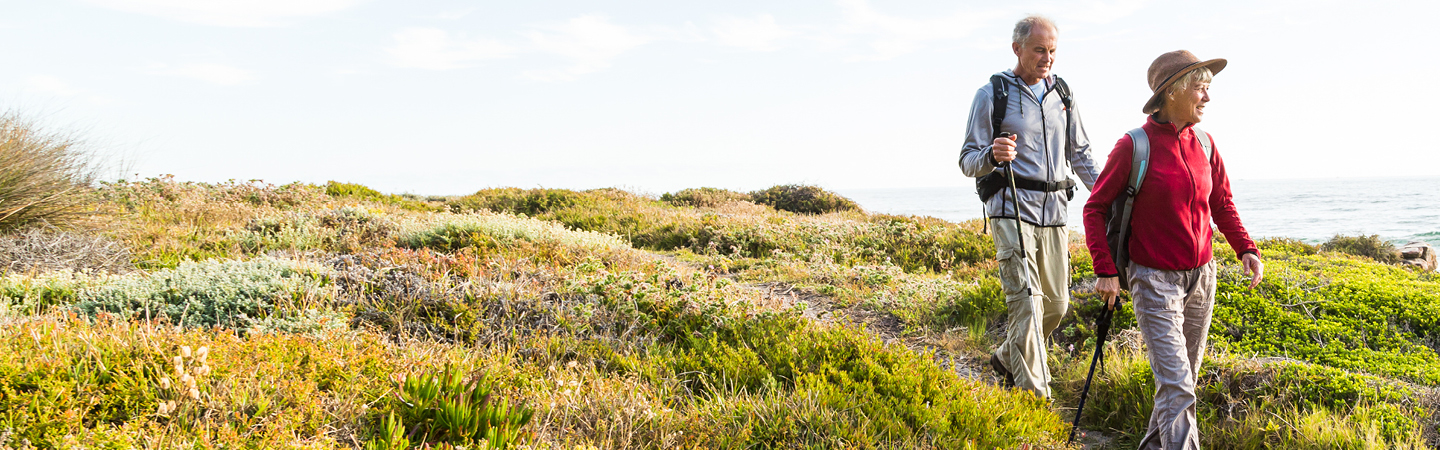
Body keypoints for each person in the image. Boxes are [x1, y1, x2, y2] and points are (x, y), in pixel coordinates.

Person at [1081, 50, 1265, 449]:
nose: (1207, 98)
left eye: (1207, 89)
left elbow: (1222, 203)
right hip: (1153, 280)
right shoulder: (1134, 146)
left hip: (1202, 277)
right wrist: (1105, 270)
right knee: (1178, 385)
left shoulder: (1205, 143)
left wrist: (1245, 248)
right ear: (1173, 93)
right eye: (1201, 88)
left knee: (1180, 383)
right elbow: (1094, 208)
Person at [959, 15, 1099, 399]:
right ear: (1017, 48)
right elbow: (967, 159)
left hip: (1054, 213)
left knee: (1056, 304)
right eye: (1040, 49)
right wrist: (991, 154)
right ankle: (1037, 397)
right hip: (1010, 209)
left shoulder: (1063, 95)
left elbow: (1082, 154)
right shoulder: (992, 94)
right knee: (1028, 306)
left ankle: (1006, 356)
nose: (1047, 58)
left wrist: (1107, 197)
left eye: (1052, 50)